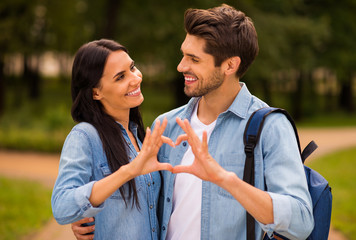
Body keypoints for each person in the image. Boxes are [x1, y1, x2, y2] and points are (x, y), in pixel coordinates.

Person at [72, 4, 314, 240]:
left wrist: (224, 179)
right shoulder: (166, 124)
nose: (181, 66)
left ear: (230, 65)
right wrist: (88, 218)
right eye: (183, 55)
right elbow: (142, 199)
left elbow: (301, 221)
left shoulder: (270, 127)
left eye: (193, 59)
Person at [51, 39, 174, 240]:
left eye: (132, 67)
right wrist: (128, 171)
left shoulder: (139, 136)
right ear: (96, 92)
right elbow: (62, 206)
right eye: (120, 77)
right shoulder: (84, 136)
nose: (135, 78)